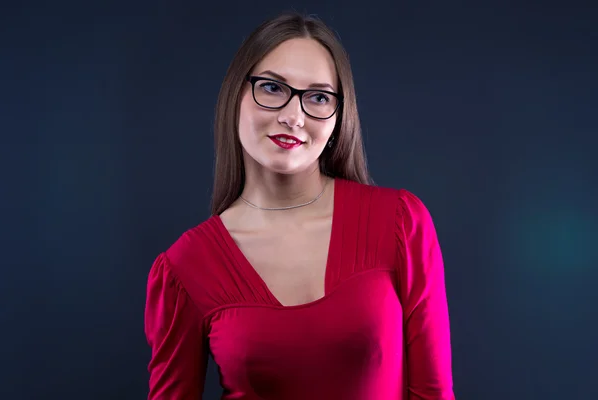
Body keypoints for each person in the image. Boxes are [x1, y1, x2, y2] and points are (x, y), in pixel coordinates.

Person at [144, 11, 456, 400]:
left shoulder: (400, 222)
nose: (294, 116)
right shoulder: (185, 266)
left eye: (319, 97)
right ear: (235, 95)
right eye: (273, 88)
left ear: (339, 118)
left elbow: (434, 393)